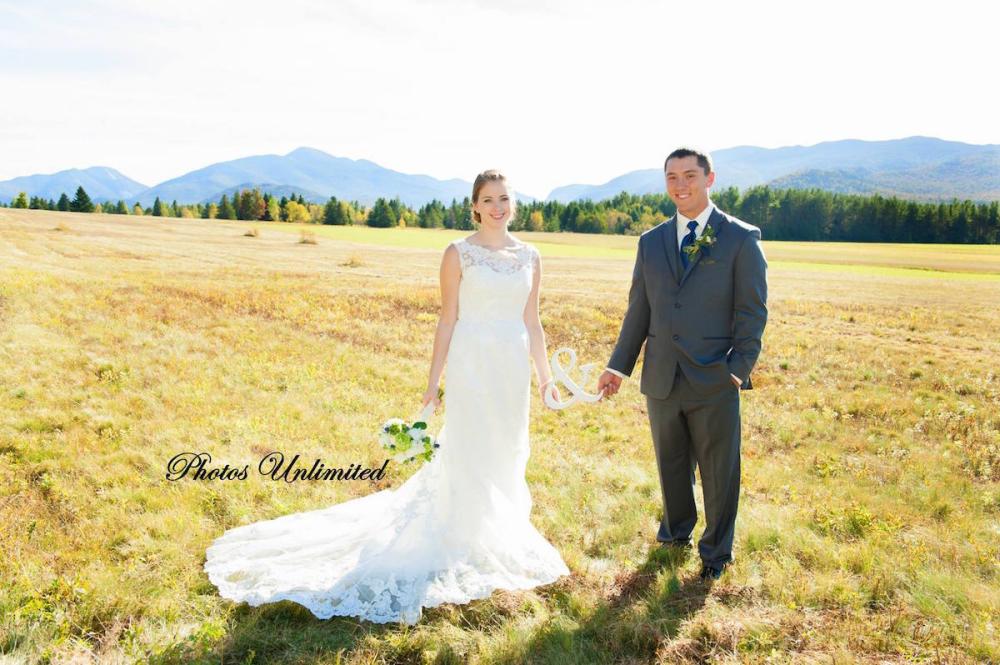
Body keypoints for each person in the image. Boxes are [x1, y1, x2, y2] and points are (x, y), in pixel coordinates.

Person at [204, 169, 569, 624]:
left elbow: (532, 321)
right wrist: (433, 384)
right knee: (470, 447)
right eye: (488, 199)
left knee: (508, 446)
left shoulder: (530, 256)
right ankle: (460, 533)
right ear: (474, 206)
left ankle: (498, 530)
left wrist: (546, 377)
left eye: (504, 198)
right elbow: (447, 320)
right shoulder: (458, 253)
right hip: (472, 363)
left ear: (513, 203)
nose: (497, 207)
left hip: (512, 369)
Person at [597, 147, 768, 581]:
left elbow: (752, 311)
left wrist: (738, 368)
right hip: (662, 375)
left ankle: (716, 554)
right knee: (670, 464)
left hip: (715, 375)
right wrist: (618, 367)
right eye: (671, 176)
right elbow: (640, 310)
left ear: (710, 179)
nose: (680, 184)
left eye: (689, 175)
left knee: (719, 471)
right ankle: (675, 534)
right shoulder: (651, 242)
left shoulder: (740, 238)